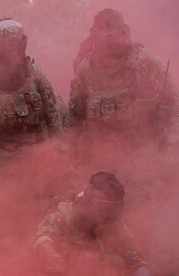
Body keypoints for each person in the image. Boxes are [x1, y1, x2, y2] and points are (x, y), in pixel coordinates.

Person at [34, 172, 152, 276]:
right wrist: (51, 255)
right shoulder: (65, 216)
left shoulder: (116, 228)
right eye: (104, 207)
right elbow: (43, 237)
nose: (108, 213)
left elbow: (136, 261)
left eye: (114, 207)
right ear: (89, 201)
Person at [68, 9, 177, 163]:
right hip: (98, 165)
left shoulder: (145, 63)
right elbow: (74, 118)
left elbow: (175, 105)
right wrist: (66, 158)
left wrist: (171, 146)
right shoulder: (85, 70)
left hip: (142, 162)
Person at [0, 19, 63, 175]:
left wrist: (60, 152)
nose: (10, 55)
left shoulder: (34, 73)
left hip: (33, 155)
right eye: (5, 50)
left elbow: (52, 112)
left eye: (14, 49)